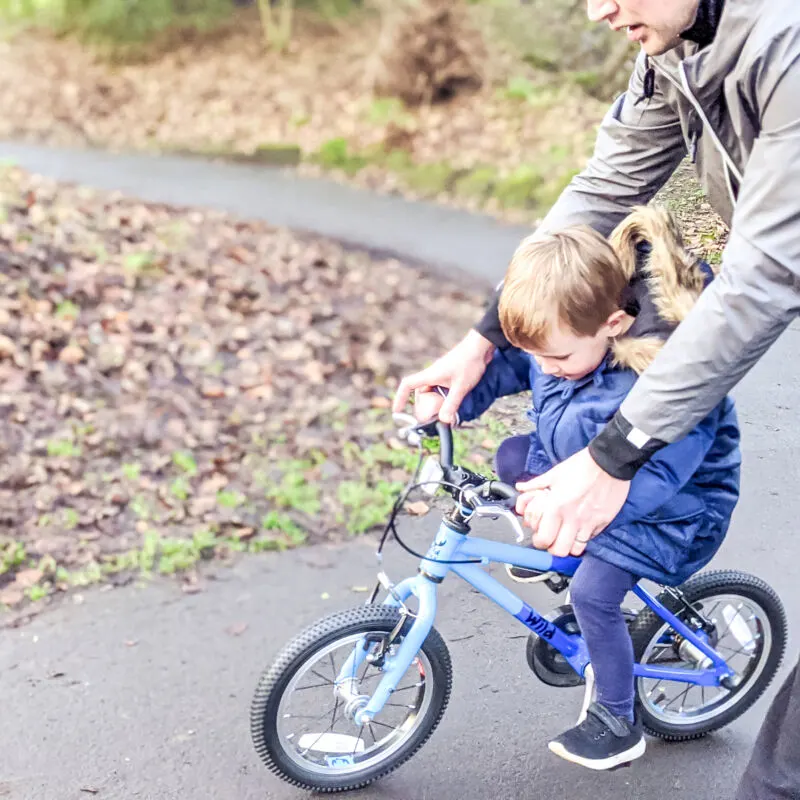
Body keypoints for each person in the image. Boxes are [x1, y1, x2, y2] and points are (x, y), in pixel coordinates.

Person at [394, 1, 800, 794]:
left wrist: (612, 454)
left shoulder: (784, 45)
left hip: (675, 504)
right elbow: (602, 189)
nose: (598, 9)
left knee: (592, 577)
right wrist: (486, 342)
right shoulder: (678, 47)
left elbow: (763, 277)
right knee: (527, 462)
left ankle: (621, 719)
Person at [415, 205, 740, 770]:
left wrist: (582, 515)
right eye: (537, 354)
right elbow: (513, 369)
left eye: (557, 356)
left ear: (613, 325)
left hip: (674, 512)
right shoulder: (562, 346)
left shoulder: (662, 381)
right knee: (513, 456)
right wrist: (454, 402)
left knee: (592, 591)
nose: (545, 367)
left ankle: (617, 719)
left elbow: (660, 478)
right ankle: (567, 562)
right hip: (591, 472)